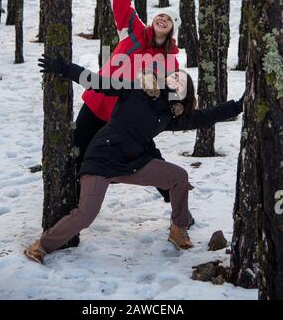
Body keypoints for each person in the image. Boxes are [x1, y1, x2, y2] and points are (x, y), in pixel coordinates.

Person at [23, 55, 244, 264]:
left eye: (182, 81)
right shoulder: (136, 90)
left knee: (178, 177)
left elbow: (204, 117)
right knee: (86, 215)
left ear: (184, 95)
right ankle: (42, 246)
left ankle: (178, 229)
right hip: (103, 158)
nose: (177, 78)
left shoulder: (168, 116)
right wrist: (64, 68)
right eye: (175, 75)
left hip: (134, 163)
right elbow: (98, 83)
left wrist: (237, 106)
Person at [73, 0, 187, 216]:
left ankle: (173, 191)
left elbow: (169, 94)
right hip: (98, 102)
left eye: (168, 19)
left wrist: (178, 107)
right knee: (78, 148)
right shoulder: (133, 31)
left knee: (145, 152)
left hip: (125, 116)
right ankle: (73, 201)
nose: (163, 18)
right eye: (160, 15)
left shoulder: (170, 62)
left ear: (172, 29)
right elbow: (120, 0)